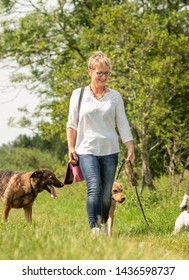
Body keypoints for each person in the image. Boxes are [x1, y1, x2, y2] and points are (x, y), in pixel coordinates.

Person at [66, 51, 135, 235]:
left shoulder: (115, 97)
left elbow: (122, 123)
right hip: (86, 149)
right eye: (99, 73)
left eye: (107, 73)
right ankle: (94, 229)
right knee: (94, 188)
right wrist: (71, 147)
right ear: (90, 71)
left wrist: (130, 146)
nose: (104, 77)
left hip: (110, 150)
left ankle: (104, 225)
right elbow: (71, 124)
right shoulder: (78, 95)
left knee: (106, 195)